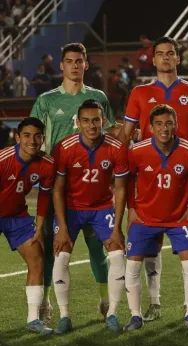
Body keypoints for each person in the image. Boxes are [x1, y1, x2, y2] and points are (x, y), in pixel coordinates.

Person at [118, 36, 188, 322]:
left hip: (186, 182)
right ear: (153, 59)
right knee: (149, 248)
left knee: (187, 247)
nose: (165, 58)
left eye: (171, 53)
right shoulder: (139, 92)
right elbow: (126, 135)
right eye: (160, 54)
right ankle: (154, 304)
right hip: (150, 179)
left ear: (178, 58)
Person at [30, 42, 118, 324]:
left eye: (79, 61)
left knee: (97, 247)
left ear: (86, 64)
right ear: (62, 65)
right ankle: (45, 301)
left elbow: (111, 132)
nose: (75, 66)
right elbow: (32, 135)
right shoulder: (46, 100)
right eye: (69, 61)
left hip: (93, 185)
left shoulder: (98, 97)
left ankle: (106, 299)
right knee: (50, 245)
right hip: (57, 185)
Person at [124, 104, 188, 331]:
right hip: (145, 217)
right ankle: (135, 316)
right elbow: (128, 180)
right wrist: (131, 209)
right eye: (158, 124)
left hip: (179, 218)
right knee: (132, 266)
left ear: (176, 125)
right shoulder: (137, 151)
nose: (164, 128)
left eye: (169, 123)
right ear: (150, 127)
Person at [51, 100, 128, 334]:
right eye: (86, 120)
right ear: (78, 123)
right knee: (61, 255)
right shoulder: (65, 147)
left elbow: (121, 188)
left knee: (116, 254)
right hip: (72, 208)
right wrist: (62, 226)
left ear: (103, 121)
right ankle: (64, 316)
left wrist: (117, 226)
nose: (92, 125)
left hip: (102, 207)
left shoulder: (116, 147)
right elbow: (57, 189)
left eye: (96, 120)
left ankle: (112, 312)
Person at [0, 118, 55, 335]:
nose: (32, 141)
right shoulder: (3, 159)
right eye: (27, 135)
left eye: (37, 136)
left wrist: (39, 226)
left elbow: (44, 197)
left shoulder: (47, 163)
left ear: (43, 138)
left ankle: (33, 320)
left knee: (37, 258)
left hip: (17, 216)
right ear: (17, 137)